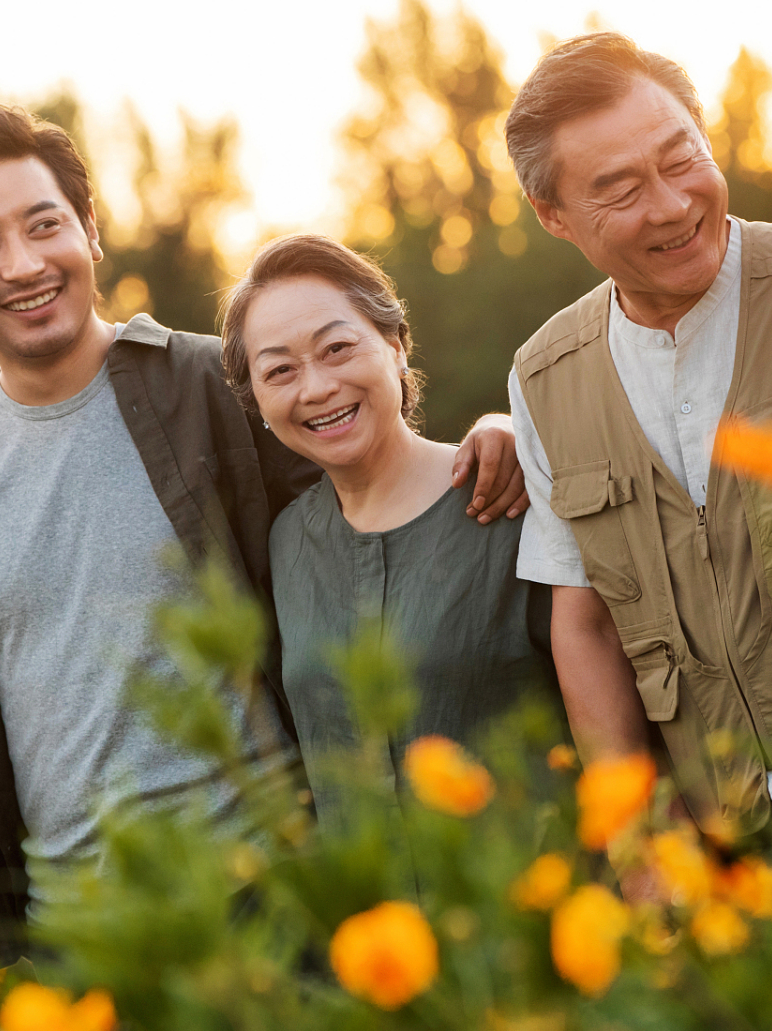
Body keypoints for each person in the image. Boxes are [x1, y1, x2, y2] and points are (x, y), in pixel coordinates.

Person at [0, 105, 527, 1026]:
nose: (22, 263)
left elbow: (373, 459)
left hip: (278, 908)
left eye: (44, 224)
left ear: (89, 230)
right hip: (88, 942)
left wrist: (493, 434)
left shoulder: (208, 385)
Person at [503, 34, 772, 840]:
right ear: (553, 214)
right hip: (726, 844)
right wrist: (635, 841)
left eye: (681, 159)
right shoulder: (541, 379)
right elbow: (586, 621)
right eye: (620, 188)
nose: (671, 205)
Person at [218, 234, 559, 827]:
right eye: (279, 370)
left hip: (521, 902)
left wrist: (515, 429)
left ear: (396, 347)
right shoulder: (285, 543)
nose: (317, 388)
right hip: (369, 913)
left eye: (338, 348)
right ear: (257, 403)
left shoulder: (511, 494)